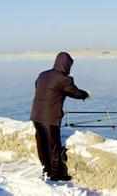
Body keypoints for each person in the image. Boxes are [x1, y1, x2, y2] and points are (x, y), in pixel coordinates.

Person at [30, 52, 90, 181]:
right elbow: (74, 92)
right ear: (66, 65)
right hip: (50, 118)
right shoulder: (63, 79)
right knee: (53, 146)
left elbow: (39, 86)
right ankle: (56, 175)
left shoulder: (43, 74)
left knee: (42, 144)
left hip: (36, 115)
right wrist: (85, 94)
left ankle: (46, 169)